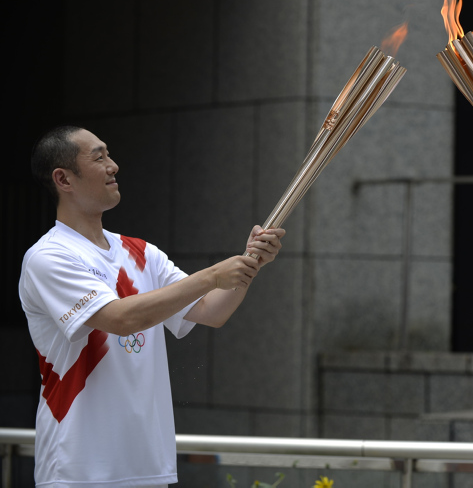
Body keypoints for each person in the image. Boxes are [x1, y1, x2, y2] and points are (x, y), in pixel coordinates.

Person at [19, 125, 286, 487]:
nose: (113, 165)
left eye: (109, 154)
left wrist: (250, 262)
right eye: (99, 157)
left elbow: (212, 311)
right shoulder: (49, 256)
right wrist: (212, 275)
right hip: (78, 468)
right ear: (63, 179)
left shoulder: (142, 253)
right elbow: (119, 319)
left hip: (147, 464)